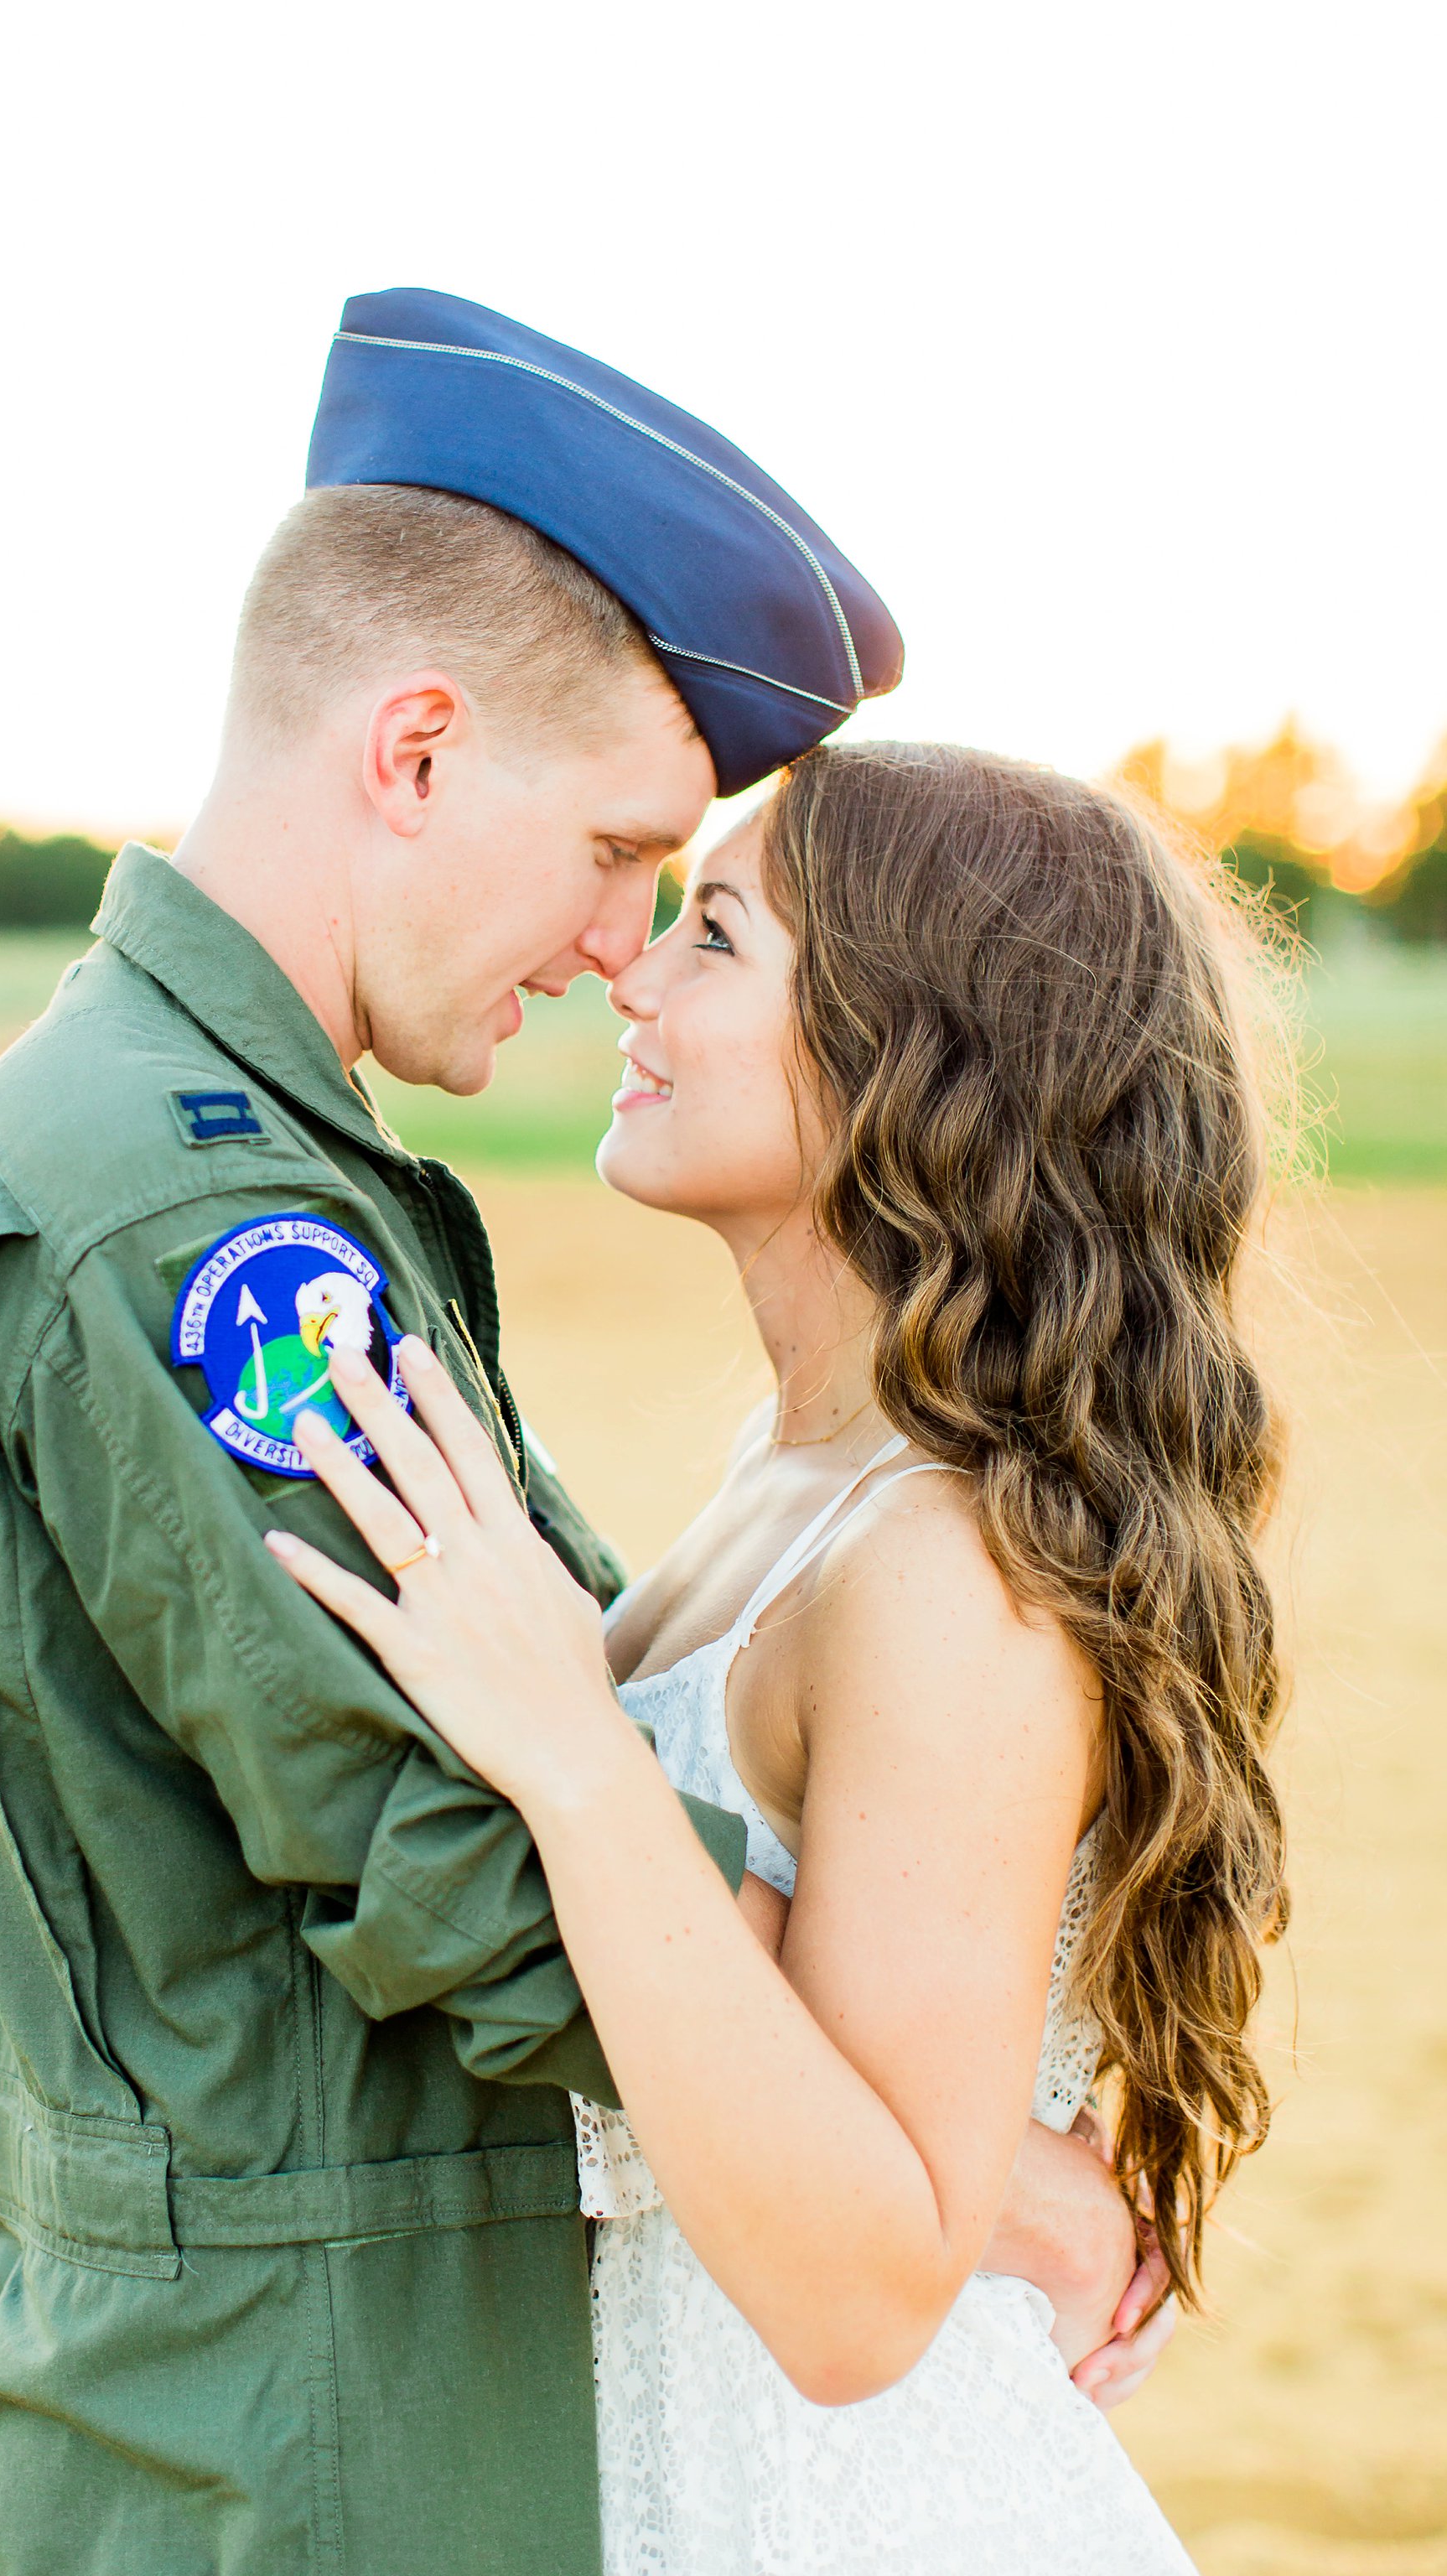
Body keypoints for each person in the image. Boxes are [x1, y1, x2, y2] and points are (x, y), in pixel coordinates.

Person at [0, 292, 1164, 2576]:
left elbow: (527, 1717)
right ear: (416, 752)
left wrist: (921, 2121)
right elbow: (449, 1847)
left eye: (685, 908)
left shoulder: (242, 1156)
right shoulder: (204, 1215)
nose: (609, 948)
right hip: (319, 2440)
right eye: (610, 852)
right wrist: (931, 2140)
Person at [262, 742, 1290, 2573]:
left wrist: (574, 1756)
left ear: (916, 1049)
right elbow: (817, 2045)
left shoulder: (946, 1566)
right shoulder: (802, 1474)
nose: (630, 974)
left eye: (717, 936)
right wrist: (1008, 2190)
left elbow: (851, 2296)